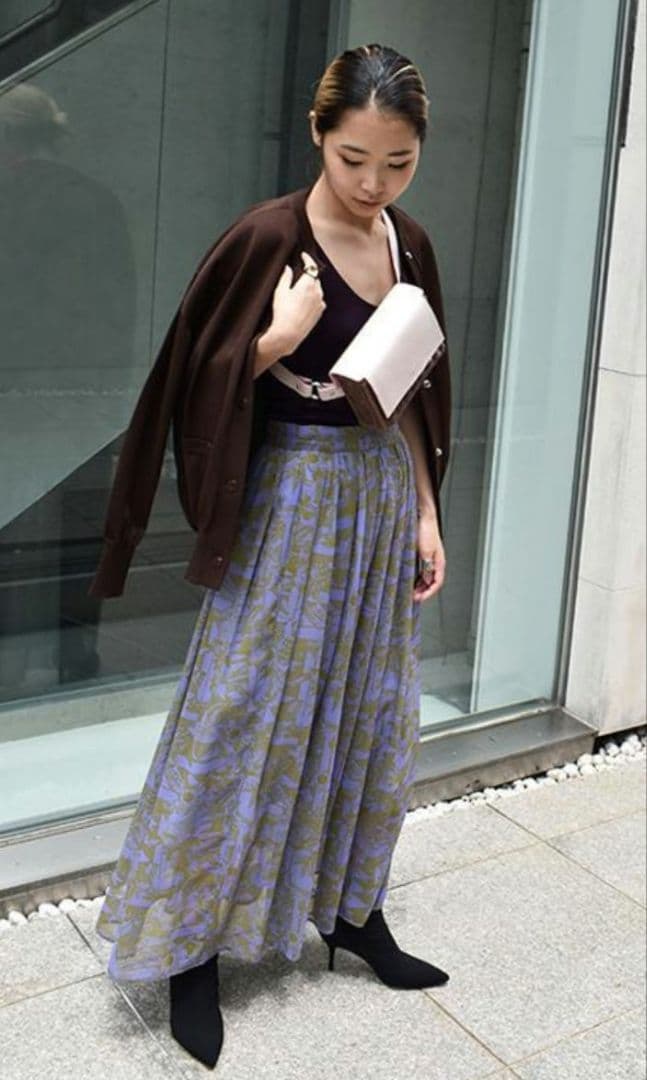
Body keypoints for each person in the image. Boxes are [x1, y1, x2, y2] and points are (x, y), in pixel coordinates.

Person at [91, 43, 452, 1071]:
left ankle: (351, 912)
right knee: (240, 709)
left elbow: (413, 390)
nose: (373, 184)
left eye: (397, 163)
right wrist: (272, 340)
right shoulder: (266, 238)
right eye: (352, 159)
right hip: (286, 500)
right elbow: (185, 383)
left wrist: (426, 513)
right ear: (316, 134)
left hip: (378, 497)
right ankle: (186, 947)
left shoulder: (408, 244)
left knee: (370, 710)